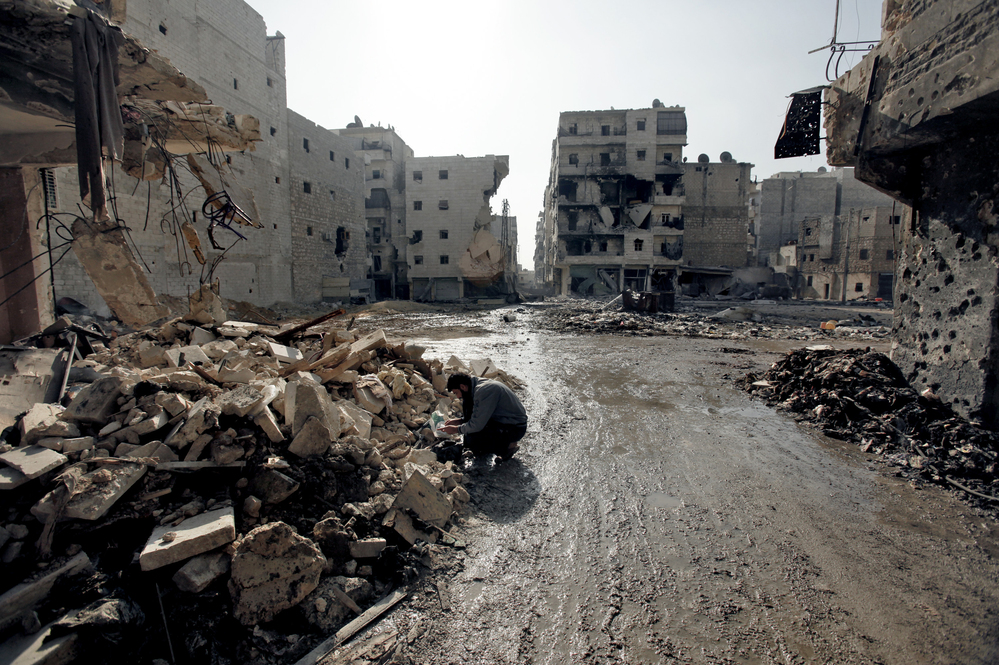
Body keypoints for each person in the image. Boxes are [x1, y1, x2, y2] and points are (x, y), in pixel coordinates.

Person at [438, 373, 527, 460]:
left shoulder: (484, 391)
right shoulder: (474, 384)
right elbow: (477, 414)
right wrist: (460, 421)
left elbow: (476, 425)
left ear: (463, 387)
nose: (458, 397)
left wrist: (456, 429)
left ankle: (508, 446)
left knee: (473, 439)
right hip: (503, 420)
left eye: (456, 393)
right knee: (469, 429)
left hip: (514, 428)